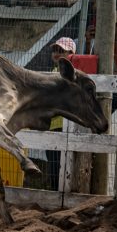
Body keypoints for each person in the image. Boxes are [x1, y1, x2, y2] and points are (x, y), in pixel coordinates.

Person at [45, 37, 76, 189]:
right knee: (53, 165)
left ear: (71, 53)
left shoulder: (71, 72)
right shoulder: (53, 72)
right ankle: (54, 194)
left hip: (64, 126)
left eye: (61, 51)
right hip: (52, 126)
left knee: (61, 165)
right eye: (55, 50)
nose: (56, 54)